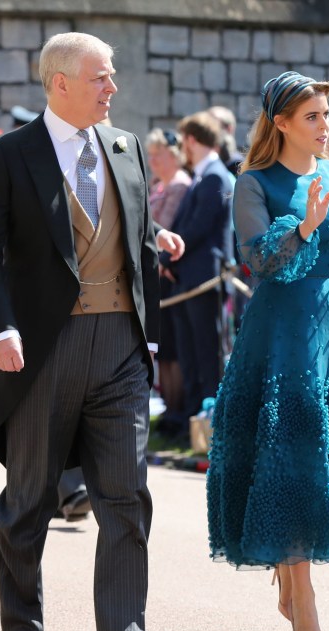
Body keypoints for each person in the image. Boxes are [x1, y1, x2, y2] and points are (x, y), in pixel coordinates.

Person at [0, 31, 179, 631]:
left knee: (125, 490)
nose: (113, 88)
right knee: (30, 495)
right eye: (100, 77)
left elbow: (134, 233)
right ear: (60, 82)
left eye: (111, 77)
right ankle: (23, 629)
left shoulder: (127, 146)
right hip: (40, 347)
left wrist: (159, 250)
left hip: (120, 343)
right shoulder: (9, 156)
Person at [206, 71, 329, 631]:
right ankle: (303, 594)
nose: (325, 126)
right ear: (282, 123)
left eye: (326, 115)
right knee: (289, 456)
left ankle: (293, 574)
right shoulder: (253, 183)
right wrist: (306, 225)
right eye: (312, 116)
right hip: (280, 335)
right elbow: (260, 263)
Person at [163, 111, 233, 427]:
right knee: (190, 354)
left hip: (205, 279)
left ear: (191, 140)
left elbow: (197, 229)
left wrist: (166, 258)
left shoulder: (216, 175)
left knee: (207, 356)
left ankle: (209, 422)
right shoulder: (203, 176)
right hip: (187, 278)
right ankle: (191, 419)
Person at [146, 127, 191, 435]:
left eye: (158, 154)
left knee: (173, 347)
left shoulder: (178, 185)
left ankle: (176, 411)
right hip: (156, 274)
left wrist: (160, 262)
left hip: (171, 273)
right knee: (163, 349)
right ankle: (169, 409)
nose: (153, 161)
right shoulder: (158, 185)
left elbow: (169, 225)